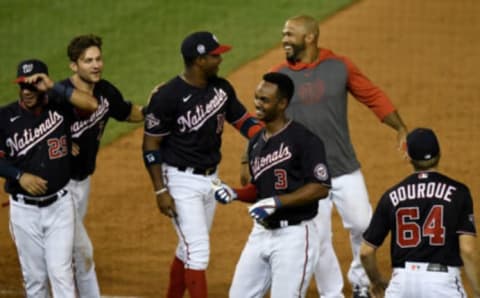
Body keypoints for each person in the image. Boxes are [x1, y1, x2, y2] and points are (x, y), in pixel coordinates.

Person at [240, 15, 409, 298]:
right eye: (283, 34)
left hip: (343, 166)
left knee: (364, 225)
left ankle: (360, 281)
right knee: (316, 238)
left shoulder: (338, 67)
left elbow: (372, 95)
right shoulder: (278, 75)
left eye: (289, 34)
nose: (283, 40)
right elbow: (264, 120)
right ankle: (333, 293)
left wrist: (400, 127)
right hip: (303, 176)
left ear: (310, 37)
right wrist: (248, 158)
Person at [142, 31, 262, 298]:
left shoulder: (221, 88)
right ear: (199, 60)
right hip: (179, 181)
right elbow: (150, 146)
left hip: (211, 178)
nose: (220, 59)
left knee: (187, 249)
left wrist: (269, 136)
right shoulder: (168, 96)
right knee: (198, 252)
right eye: (215, 55)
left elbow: (243, 122)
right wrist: (161, 191)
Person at [213, 72, 332, 297]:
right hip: (261, 233)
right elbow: (260, 190)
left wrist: (278, 202)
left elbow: (321, 187)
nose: (257, 104)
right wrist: (235, 193)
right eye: (257, 98)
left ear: (282, 103)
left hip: (294, 236)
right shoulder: (256, 142)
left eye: (264, 100)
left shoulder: (304, 140)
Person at [0, 59, 98, 297]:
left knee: (61, 274)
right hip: (25, 212)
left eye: (33, 85)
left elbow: (91, 104)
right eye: (22, 85)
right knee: (35, 280)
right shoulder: (5, 117)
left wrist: (54, 87)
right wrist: (19, 175)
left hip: (60, 207)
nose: (26, 91)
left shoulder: (60, 107)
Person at [62, 34, 145, 297]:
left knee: (68, 247)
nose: (96, 65)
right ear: (74, 66)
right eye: (88, 61)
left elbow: (126, 111)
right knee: (82, 250)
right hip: (58, 188)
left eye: (98, 59)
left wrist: (159, 109)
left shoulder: (105, 91)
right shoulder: (58, 99)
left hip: (82, 181)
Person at [360, 127, 479, 298]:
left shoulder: (391, 196)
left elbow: (366, 252)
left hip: (401, 285)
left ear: (409, 157)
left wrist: (377, 281)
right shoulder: (459, 193)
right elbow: (467, 250)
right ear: (439, 154)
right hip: (442, 284)